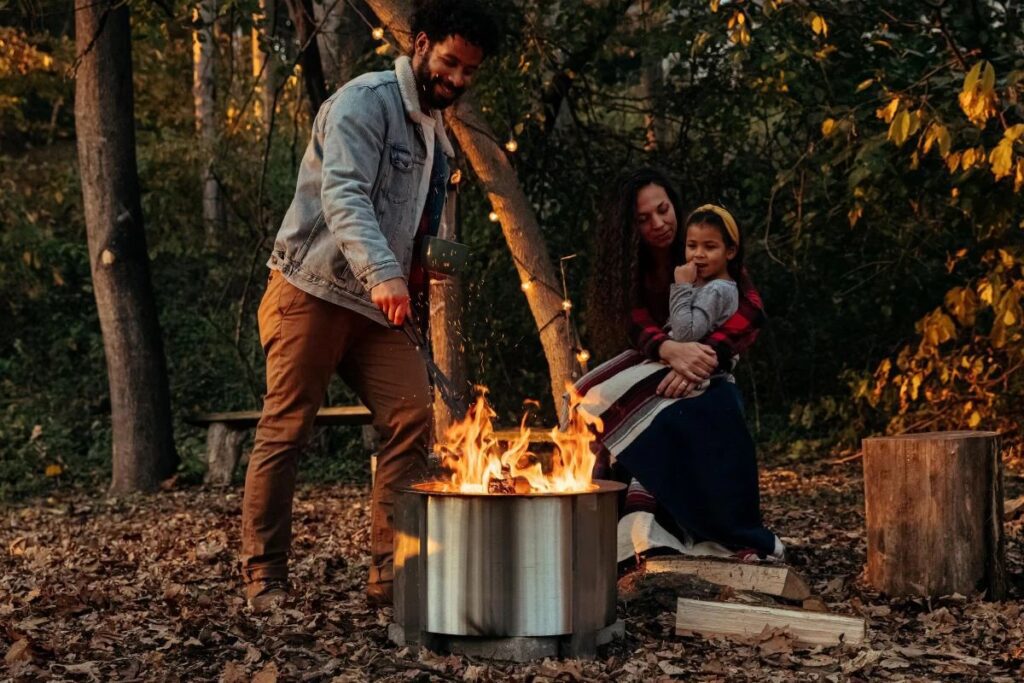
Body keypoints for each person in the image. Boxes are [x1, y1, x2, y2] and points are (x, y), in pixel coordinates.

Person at [239, 0, 501, 612]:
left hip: (380, 310)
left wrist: (414, 273)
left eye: (470, 72)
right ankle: (265, 578)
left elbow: (416, 223)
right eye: (451, 63)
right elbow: (345, 194)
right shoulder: (365, 102)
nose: (458, 79)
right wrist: (382, 272)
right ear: (423, 44)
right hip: (314, 289)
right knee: (287, 429)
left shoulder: (437, 133)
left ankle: (393, 575)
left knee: (412, 419)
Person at [579, 168, 783, 564]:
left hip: (706, 363)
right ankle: (623, 530)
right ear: (629, 227)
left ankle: (705, 530)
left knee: (700, 415)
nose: (658, 223)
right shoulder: (629, 265)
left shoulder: (701, 244)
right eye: (643, 219)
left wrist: (701, 358)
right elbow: (633, 321)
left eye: (663, 209)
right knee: (592, 397)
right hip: (656, 358)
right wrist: (669, 350)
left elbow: (750, 307)